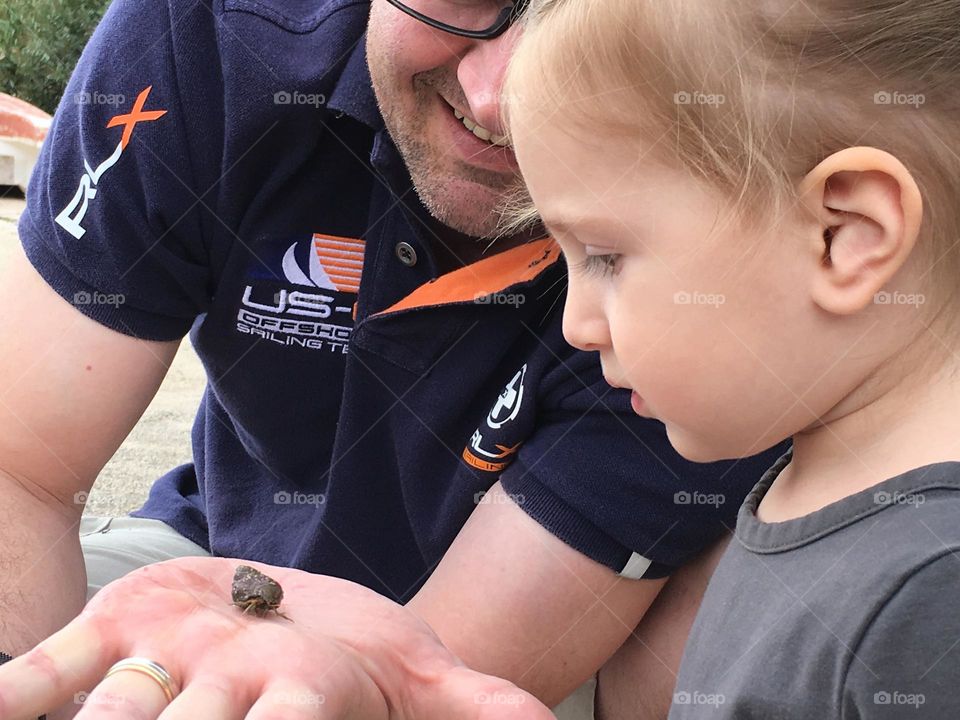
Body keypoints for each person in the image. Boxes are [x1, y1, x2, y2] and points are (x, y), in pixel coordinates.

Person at [0, 0, 788, 717]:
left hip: (516, 656)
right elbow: (21, 469)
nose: (496, 97)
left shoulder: (732, 192)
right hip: (211, 559)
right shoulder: (207, 35)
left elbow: (423, 679)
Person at [503, 0, 960, 717]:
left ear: (845, 237)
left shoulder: (934, 586)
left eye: (606, 256)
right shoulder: (816, 476)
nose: (576, 326)